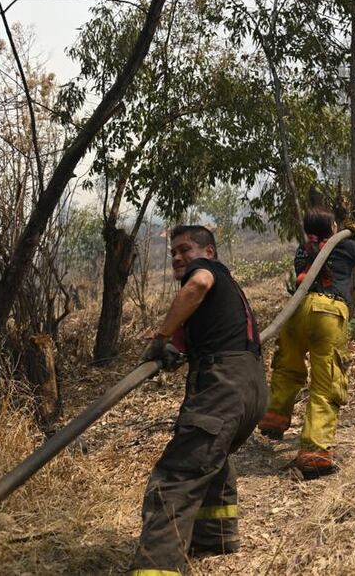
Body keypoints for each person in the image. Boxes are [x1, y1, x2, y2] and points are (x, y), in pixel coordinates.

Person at [130, 225, 267, 576]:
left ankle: (156, 568)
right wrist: (175, 349)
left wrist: (160, 338)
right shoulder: (227, 292)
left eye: (185, 249)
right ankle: (214, 537)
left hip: (223, 386)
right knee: (211, 455)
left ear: (209, 252)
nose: (178, 257)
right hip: (250, 388)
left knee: (178, 474)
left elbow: (199, 283)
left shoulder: (206, 272)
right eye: (173, 252)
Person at [257, 207, 355, 477]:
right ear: (333, 229)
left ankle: (275, 418)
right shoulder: (344, 247)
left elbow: (323, 257)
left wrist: (350, 234)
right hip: (326, 314)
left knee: (288, 368)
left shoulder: (303, 250)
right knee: (326, 382)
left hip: (295, 312)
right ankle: (314, 453)